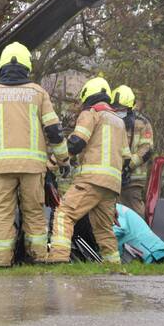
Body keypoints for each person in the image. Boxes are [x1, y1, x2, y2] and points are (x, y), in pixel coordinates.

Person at [0, 42, 69, 266]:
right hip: (33, 169)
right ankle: (39, 260)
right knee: (34, 214)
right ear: (27, 65)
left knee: (2, 217)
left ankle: (3, 264)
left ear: (3, 65)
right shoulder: (38, 93)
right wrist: (63, 160)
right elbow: (54, 131)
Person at [48, 76, 131, 264]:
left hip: (91, 180)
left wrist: (53, 162)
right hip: (111, 185)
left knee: (64, 214)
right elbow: (126, 159)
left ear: (88, 95)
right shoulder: (119, 121)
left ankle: (58, 259)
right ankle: (114, 268)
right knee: (104, 229)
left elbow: (76, 142)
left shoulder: (91, 113)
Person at [111, 85, 154, 217]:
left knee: (134, 214)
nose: (118, 111)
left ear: (130, 107)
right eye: (116, 107)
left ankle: (140, 237)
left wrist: (128, 165)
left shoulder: (142, 123)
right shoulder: (110, 121)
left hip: (133, 179)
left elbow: (147, 149)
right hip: (112, 177)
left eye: (122, 108)